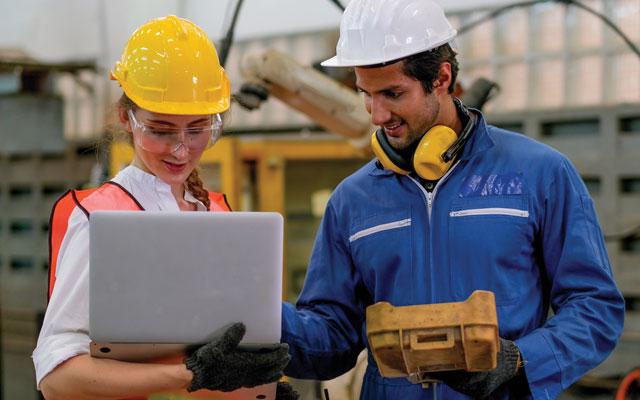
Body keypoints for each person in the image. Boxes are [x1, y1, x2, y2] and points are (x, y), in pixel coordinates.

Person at [280, 0, 625, 399]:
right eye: (366, 94)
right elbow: (333, 334)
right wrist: (263, 321)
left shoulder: (539, 174)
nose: (376, 115)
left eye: (393, 93)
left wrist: (519, 359)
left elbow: (594, 307)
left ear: (441, 77)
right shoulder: (352, 200)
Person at [33, 15, 295, 400]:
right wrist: (188, 375)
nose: (180, 148)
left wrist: (260, 389)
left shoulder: (219, 216)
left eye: (198, 128)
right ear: (127, 118)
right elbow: (56, 380)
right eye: (160, 129)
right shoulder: (100, 219)